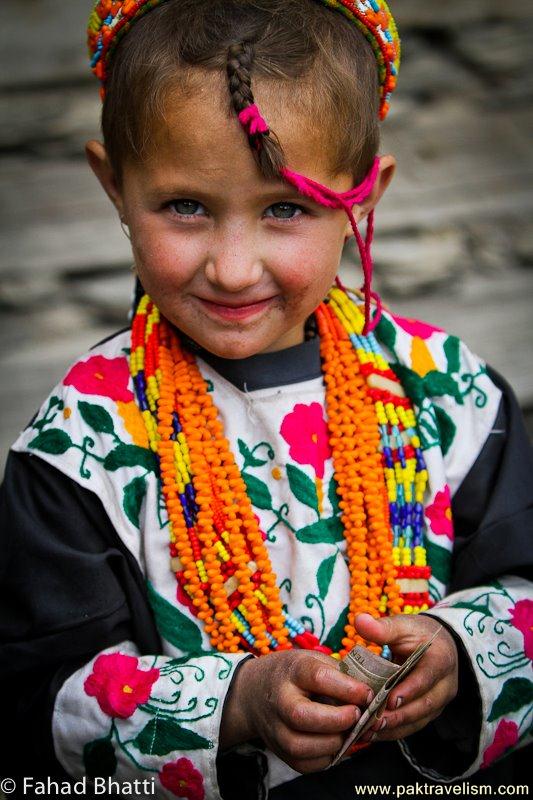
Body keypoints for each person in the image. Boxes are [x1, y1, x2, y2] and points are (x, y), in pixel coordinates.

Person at [1, 0, 532, 797]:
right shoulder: (81, 445)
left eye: (285, 208)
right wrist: (235, 704)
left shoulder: (450, 394)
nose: (234, 268)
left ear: (363, 194)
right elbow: (33, 704)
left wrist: (458, 651)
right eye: (185, 206)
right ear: (113, 184)